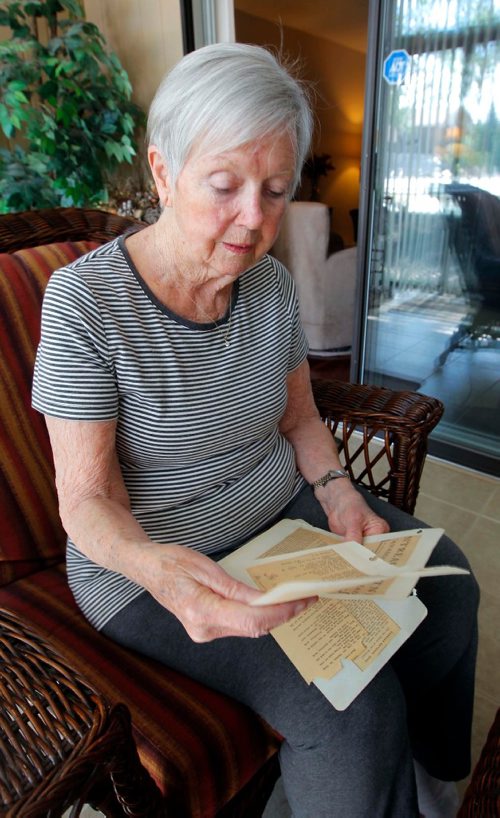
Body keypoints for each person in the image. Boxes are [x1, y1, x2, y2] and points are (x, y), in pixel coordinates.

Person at [32, 43, 478, 818]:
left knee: (453, 589)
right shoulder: (85, 306)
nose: (254, 218)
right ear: (163, 173)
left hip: (283, 521)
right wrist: (167, 576)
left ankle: (433, 789)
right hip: (154, 563)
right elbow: (86, 505)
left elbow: (301, 417)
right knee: (353, 709)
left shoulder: (266, 285)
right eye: (225, 185)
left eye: (275, 190)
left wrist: (339, 498)